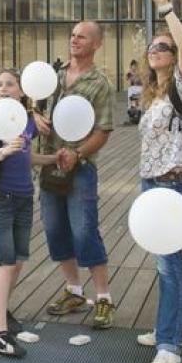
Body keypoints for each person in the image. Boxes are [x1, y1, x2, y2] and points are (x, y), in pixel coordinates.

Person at [132, 0, 182, 363]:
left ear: (173, 56)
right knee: (166, 260)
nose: (155, 49)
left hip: (173, 183)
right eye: (152, 46)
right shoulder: (150, 94)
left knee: (169, 262)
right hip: (150, 182)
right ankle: (175, 329)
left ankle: (170, 343)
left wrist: (166, 7)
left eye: (163, 46)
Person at [40, 20, 117, 329]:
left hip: (81, 168)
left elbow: (103, 130)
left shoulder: (100, 83)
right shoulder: (53, 78)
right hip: (49, 165)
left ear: (96, 44)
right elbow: (35, 109)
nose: (75, 40)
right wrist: (35, 115)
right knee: (55, 231)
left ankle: (103, 298)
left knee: (85, 231)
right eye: (72, 35)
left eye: (82, 37)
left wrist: (78, 153)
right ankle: (73, 291)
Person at [0, 70, 54, 358]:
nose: (4, 88)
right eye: (0, 84)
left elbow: (27, 155)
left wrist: (52, 159)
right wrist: (2, 152)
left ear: (22, 90)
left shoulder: (27, 121)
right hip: (1, 198)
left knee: (19, 261)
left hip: (24, 197)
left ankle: (2, 314)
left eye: (10, 84)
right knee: (5, 261)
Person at [124, 60, 143, 124]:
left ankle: (137, 118)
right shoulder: (129, 74)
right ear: (131, 66)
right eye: (132, 66)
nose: (134, 67)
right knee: (132, 104)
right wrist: (129, 76)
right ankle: (132, 118)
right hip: (132, 91)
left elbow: (142, 83)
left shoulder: (140, 74)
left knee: (137, 104)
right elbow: (128, 83)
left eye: (135, 66)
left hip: (138, 91)